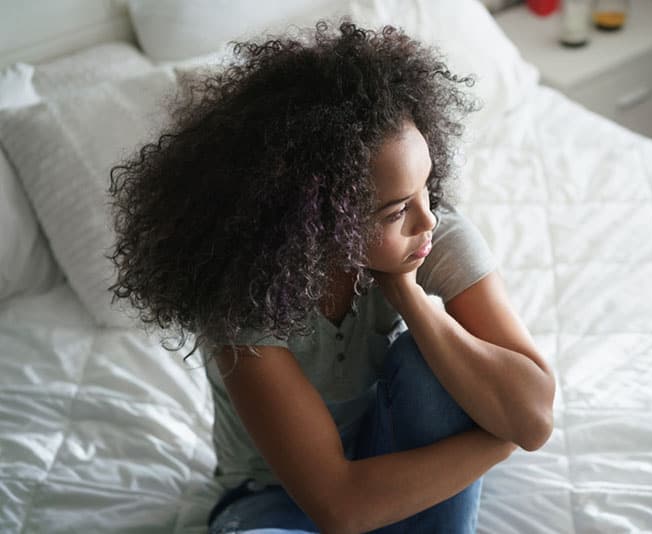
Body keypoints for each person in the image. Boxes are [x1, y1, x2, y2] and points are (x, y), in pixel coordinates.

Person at [107, 20, 556, 534]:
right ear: (318, 224)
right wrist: (497, 441)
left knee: (430, 363)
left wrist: (407, 295)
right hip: (272, 497)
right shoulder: (240, 300)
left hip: (391, 457)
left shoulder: (430, 236)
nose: (427, 218)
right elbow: (339, 507)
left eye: (426, 187)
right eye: (394, 211)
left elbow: (535, 416)